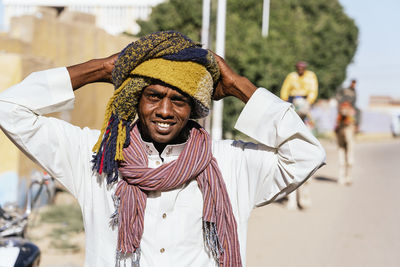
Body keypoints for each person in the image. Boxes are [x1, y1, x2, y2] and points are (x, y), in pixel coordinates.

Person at [0, 31, 325, 267]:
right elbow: (9, 109)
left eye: (180, 100)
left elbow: (307, 155)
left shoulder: (229, 162)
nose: (165, 111)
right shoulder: (99, 158)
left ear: (194, 107)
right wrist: (102, 68)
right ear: (136, 99)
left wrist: (240, 85)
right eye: (153, 96)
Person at [279, 61, 319, 210]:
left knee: (309, 126)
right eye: (298, 67)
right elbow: (285, 90)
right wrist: (285, 100)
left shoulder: (311, 77)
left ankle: (313, 144)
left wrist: (308, 101)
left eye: (302, 68)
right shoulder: (291, 76)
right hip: (293, 102)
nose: (300, 70)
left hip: (305, 104)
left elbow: (313, 91)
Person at [335, 79, 359, 185]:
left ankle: (348, 176)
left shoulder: (354, 93)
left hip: (350, 120)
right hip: (342, 122)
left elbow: (354, 104)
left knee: (350, 153)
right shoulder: (345, 91)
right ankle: (341, 176)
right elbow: (339, 98)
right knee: (341, 151)